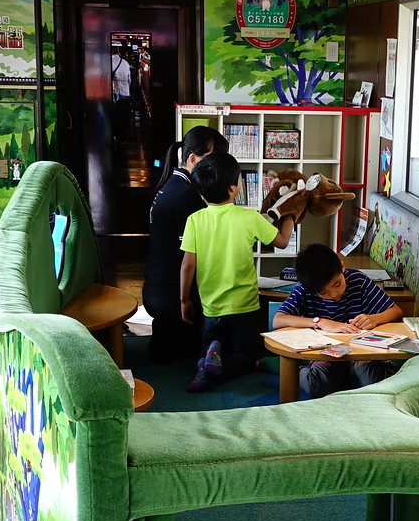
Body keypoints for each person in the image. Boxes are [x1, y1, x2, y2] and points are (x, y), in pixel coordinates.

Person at [180, 153, 295, 392]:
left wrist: (184, 300)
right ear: (233, 188)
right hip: (245, 306)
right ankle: (219, 368)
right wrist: (292, 214)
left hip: (211, 306)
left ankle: (205, 366)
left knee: (208, 348)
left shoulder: (194, 220)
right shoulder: (249, 218)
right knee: (246, 357)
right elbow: (282, 241)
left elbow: (188, 265)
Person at [272, 244, 403, 399]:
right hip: (324, 354)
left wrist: (374, 319)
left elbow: (396, 311)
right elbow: (278, 320)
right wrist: (320, 322)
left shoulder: (358, 280)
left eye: (337, 284)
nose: (334, 294)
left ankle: (348, 376)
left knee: (375, 382)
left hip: (358, 353)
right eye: (323, 292)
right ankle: (286, 366)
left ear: (342, 267)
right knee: (318, 386)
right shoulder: (305, 288)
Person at [144, 127, 226, 362]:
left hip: (155, 289)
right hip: (170, 296)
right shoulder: (186, 197)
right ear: (193, 159)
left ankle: (164, 340)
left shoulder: (172, 185)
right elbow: (197, 256)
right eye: (212, 161)